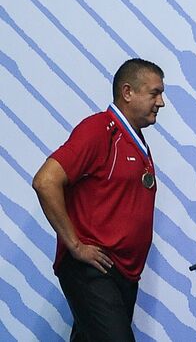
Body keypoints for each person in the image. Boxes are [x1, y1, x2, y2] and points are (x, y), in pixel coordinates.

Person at [32, 59, 166, 342]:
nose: (161, 102)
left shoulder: (136, 142)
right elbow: (45, 181)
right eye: (154, 93)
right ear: (128, 92)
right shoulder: (99, 130)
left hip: (123, 275)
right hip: (94, 270)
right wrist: (76, 245)